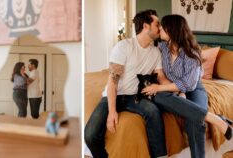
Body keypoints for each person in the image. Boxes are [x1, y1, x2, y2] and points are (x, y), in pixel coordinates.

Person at [142, 14, 233, 158]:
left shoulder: (192, 52)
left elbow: (188, 84)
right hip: (172, 88)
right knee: (157, 97)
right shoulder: (162, 48)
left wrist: (163, 88)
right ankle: (214, 118)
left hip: (194, 89)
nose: (160, 29)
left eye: (163, 27)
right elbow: (153, 64)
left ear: (172, 30)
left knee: (194, 121)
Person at [84, 10, 167, 158]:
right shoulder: (124, 46)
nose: (160, 28)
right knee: (90, 135)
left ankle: (160, 156)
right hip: (115, 94)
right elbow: (112, 81)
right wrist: (112, 111)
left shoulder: (155, 52)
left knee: (153, 112)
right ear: (146, 26)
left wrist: (177, 88)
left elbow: (160, 77)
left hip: (135, 97)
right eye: (157, 24)